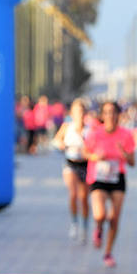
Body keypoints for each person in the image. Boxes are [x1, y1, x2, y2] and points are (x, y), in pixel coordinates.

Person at [83, 100, 136, 268]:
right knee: (99, 214)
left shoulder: (126, 135)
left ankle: (108, 252)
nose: (110, 116)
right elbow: (85, 153)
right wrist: (94, 157)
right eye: (106, 112)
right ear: (102, 115)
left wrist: (124, 154)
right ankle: (98, 228)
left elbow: (133, 162)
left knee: (114, 218)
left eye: (113, 112)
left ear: (118, 115)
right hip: (98, 178)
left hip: (117, 178)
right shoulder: (94, 133)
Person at [53, 98, 91, 241]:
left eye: (82, 111)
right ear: (72, 113)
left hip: (85, 165)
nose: (80, 114)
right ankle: (74, 223)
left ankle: (85, 226)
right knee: (73, 194)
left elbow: (94, 146)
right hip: (70, 164)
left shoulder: (89, 129)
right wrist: (61, 144)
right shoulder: (67, 127)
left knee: (83, 198)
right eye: (77, 111)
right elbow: (56, 141)